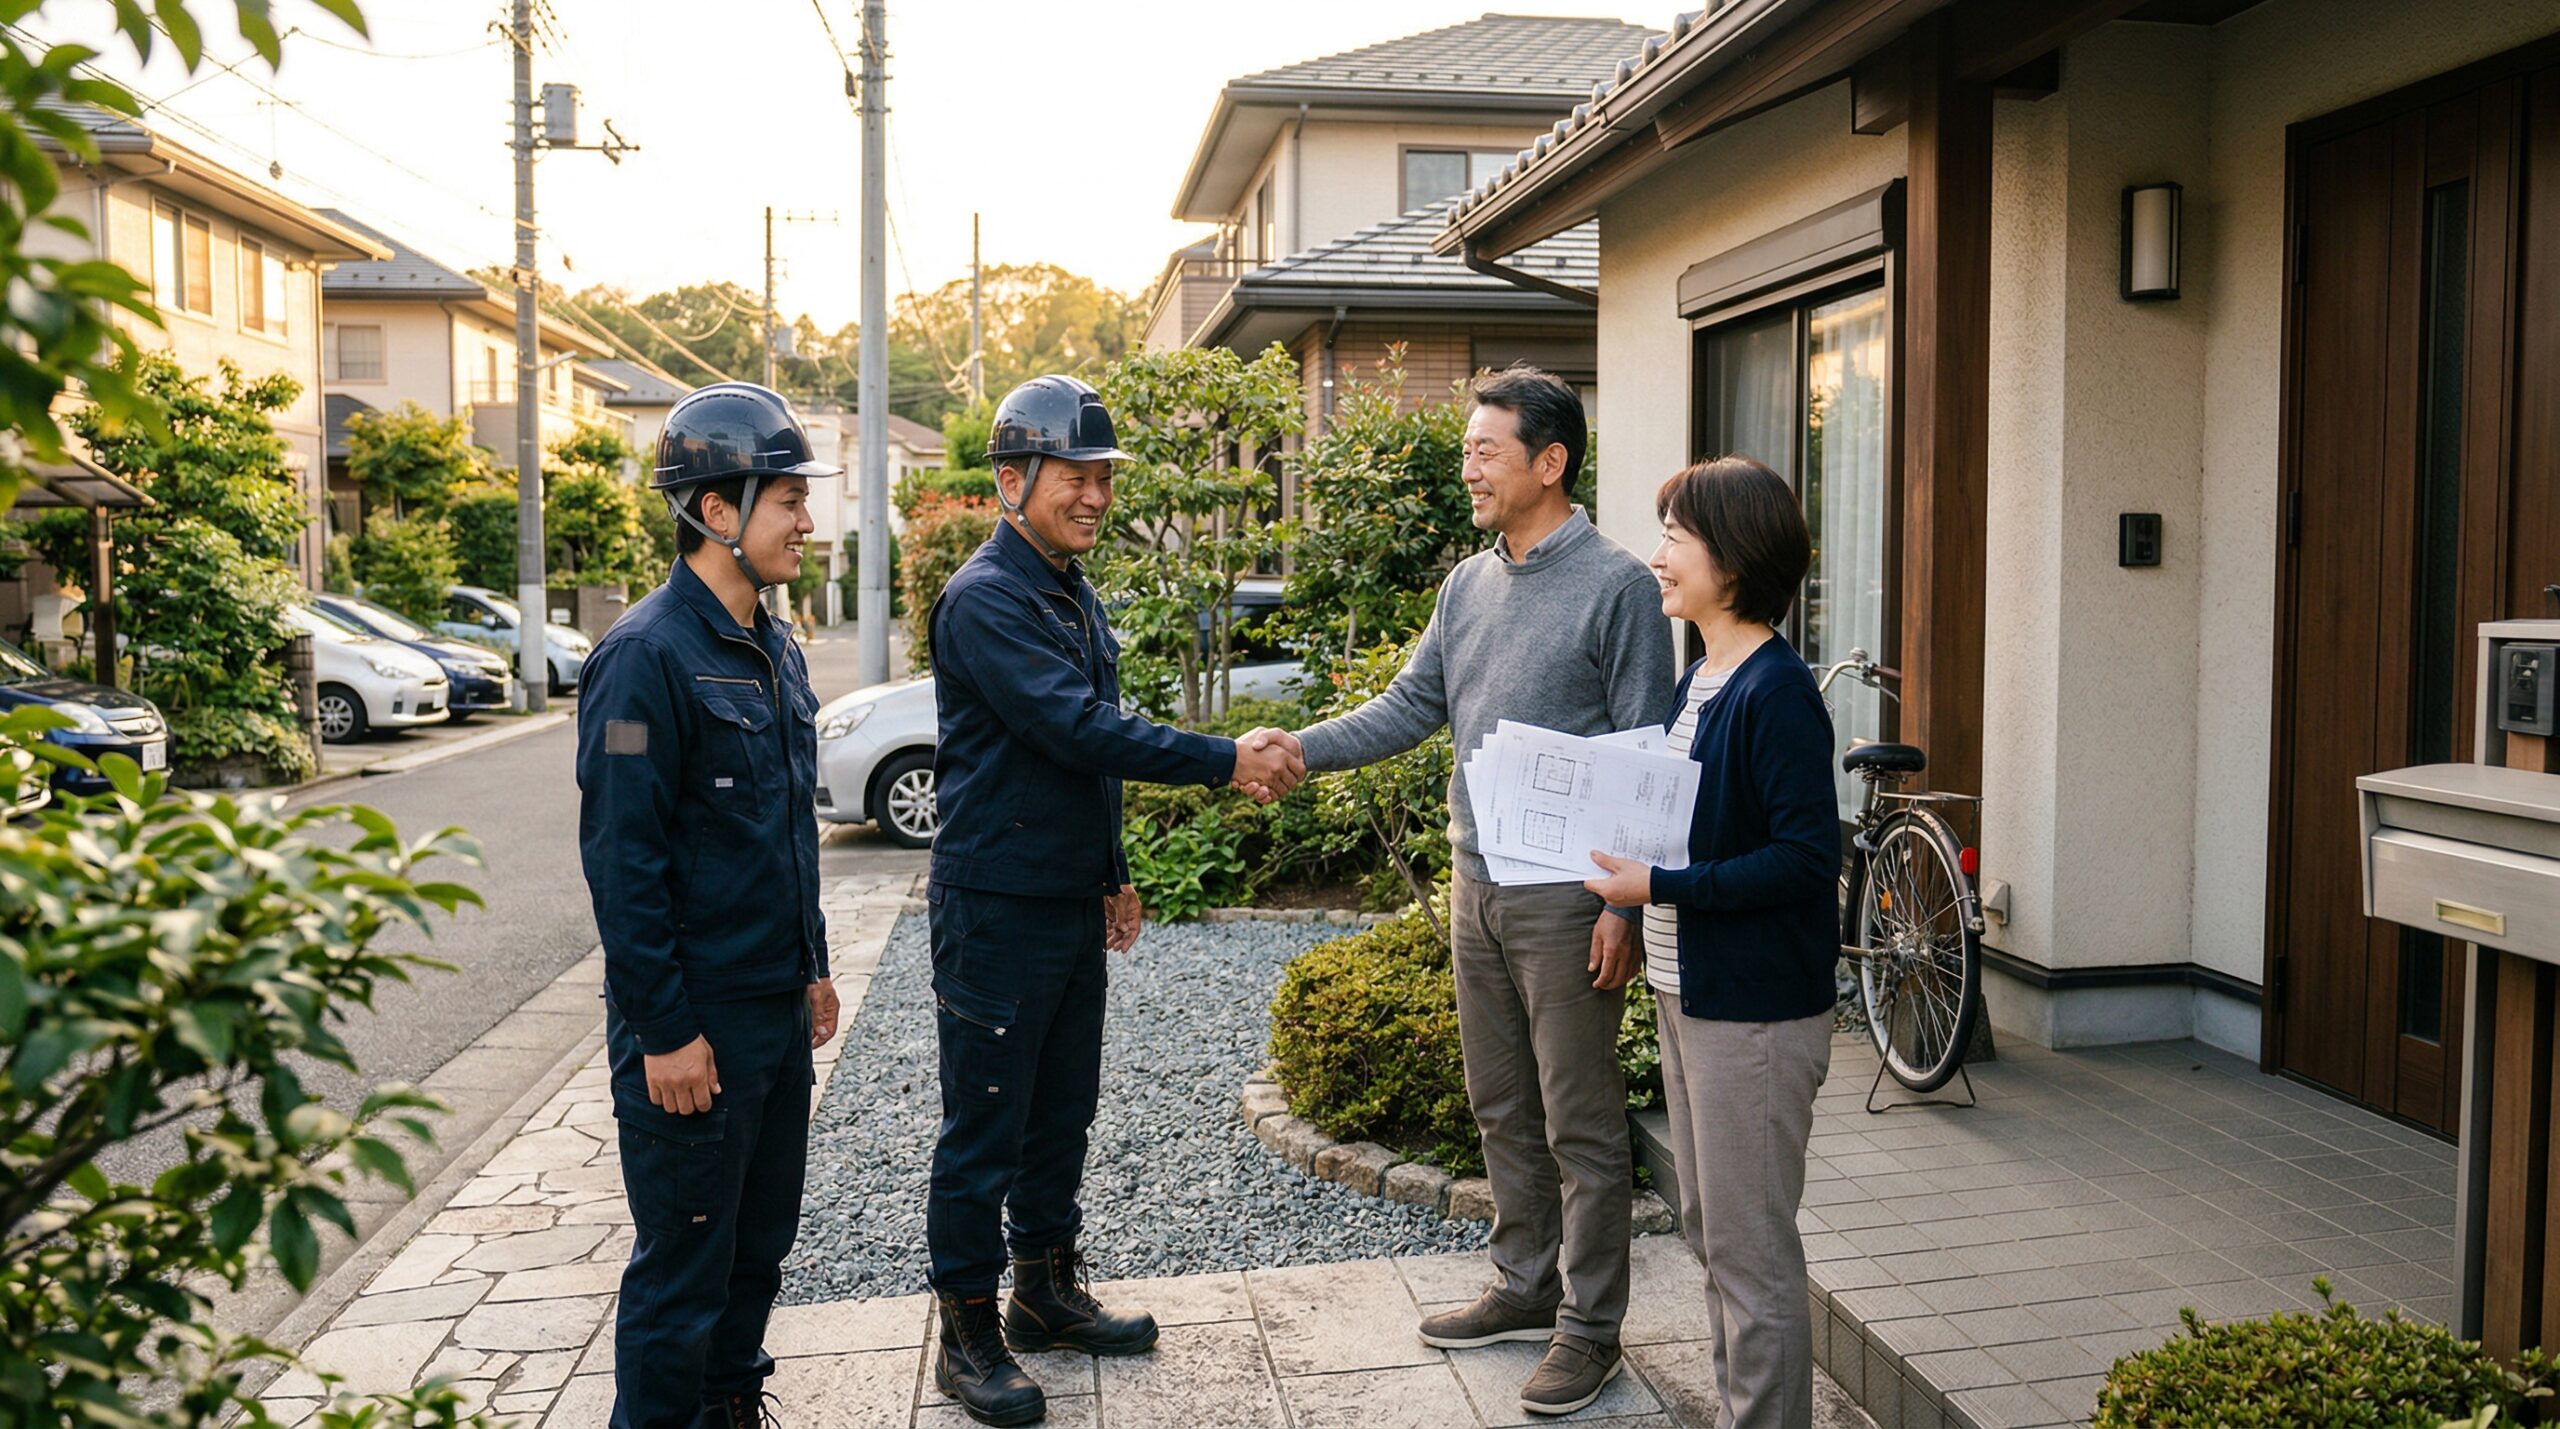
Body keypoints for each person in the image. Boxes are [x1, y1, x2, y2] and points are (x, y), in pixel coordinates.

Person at [1264, 365, 1676, 1417]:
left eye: (1485, 448)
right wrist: (1294, 749)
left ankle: (1591, 1330)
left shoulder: (1620, 585)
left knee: (1578, 1118)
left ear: (1550, 461)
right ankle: (1524, 1280)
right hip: (1475, 884)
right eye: (1466, 447)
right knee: (1500, 1102)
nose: (1467, 465)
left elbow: (1643, 752)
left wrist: (1624, 909)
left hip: (1568, 899)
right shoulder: (1467, 583)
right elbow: (1408, 706)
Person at [925, 373, 1305, 1427]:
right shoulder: (989, 596)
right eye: (1073, 475)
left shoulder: (1064, 584)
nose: (1093, 495)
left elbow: (1079, 757)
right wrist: (1226, 756)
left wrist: (1112, 869)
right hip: (993, 903)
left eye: (1101, 477)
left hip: (1058, 895)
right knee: (984, 1126)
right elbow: (1077, 729)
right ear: (1012, 479)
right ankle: (966, 1334)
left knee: (1059, 1110)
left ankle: (1043, 1291)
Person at [575, 382, 844, 1429]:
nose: (806, 522)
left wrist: (813, 963)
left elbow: (782, 827)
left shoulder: (771, 644)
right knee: (683, 1265)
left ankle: (732, 1410)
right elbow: (621, 861)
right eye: (787, 499)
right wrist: (667, 1030)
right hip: (695, 1019)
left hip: (773, 1009)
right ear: (716, 510)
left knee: (755, 1247)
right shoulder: (644, 659)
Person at [1584, 455, 1838, 1429]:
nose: (1656, 558)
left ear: (1730, 559)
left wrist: (1662, 883)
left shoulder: (1775, 691)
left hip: (1756, 1011)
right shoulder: (1702, 677)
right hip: (1691, 993)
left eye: (1674, 539)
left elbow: (1806, 859)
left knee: (1748, 1245)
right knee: (1711, 1226)